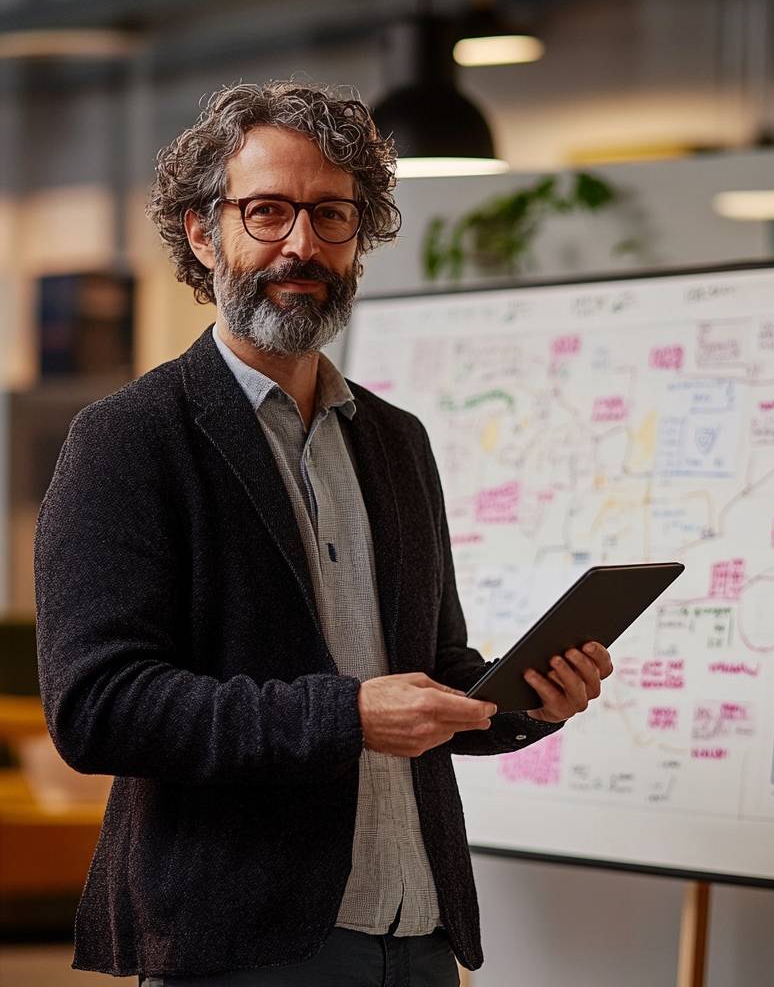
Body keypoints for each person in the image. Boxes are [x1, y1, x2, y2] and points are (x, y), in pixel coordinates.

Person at [33, 80, 614, 987]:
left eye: (331, 216)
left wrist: (523, 705)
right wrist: (345, 716)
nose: (301, 244)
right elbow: (100, 708)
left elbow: (436, 667)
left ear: (359, 237)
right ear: (202, 232)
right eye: (266, 212)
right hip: (243, 945)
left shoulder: (395, 440)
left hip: (419, 933)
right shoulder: (129, 440)